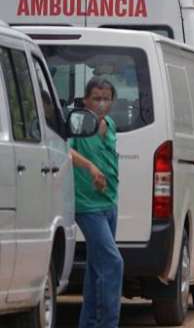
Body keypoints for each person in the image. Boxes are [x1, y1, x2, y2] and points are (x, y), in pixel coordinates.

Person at [69, 77, 123, 328]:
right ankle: (108, 324)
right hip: (87, 205)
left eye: (106, 99)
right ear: (86, 100)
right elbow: (65, 149)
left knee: (96, 270)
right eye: (97, 98)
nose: (102, 104)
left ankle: (89, 323)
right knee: (113, 263)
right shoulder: (78, 121)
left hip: (109, 203)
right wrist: (90, 167)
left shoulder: (110, 124)